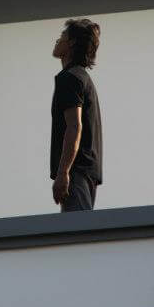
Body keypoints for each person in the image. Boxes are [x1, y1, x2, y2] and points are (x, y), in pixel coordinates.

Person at [50, 19, 102, 212]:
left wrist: (63, 172)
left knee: (77, 234)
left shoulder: (70, 78)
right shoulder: (82, 78)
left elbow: (74, 126)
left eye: (62, 36)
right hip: (86, 172)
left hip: (76, 171)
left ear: (71, 43)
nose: (57, 40)